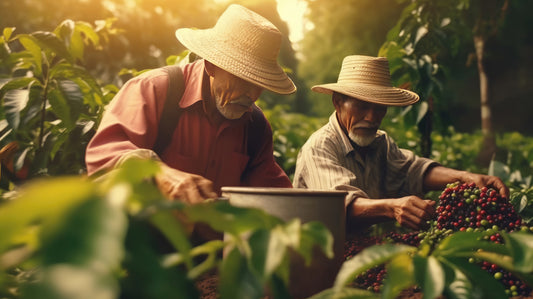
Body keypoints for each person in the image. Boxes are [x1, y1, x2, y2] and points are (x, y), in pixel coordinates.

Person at [86, 4, 296, 204]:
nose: (253, 95)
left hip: (214, 242)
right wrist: (158, 172)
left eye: (260, 84)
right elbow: (104, 160)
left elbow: (278, 199)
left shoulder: (255, 128)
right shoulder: (153, 90)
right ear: (212, 66)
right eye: (243, 80)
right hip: (144, 238)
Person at [293, 55, 509, 231]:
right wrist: (392, 207)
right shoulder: (320, 147)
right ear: (338, 102)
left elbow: (413, 171)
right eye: (361, 106)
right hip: (320, 261)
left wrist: (465, 177)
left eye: (379, 108)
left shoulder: (381, 142)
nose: (371, 117)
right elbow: (338, 204)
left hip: (361, 255)